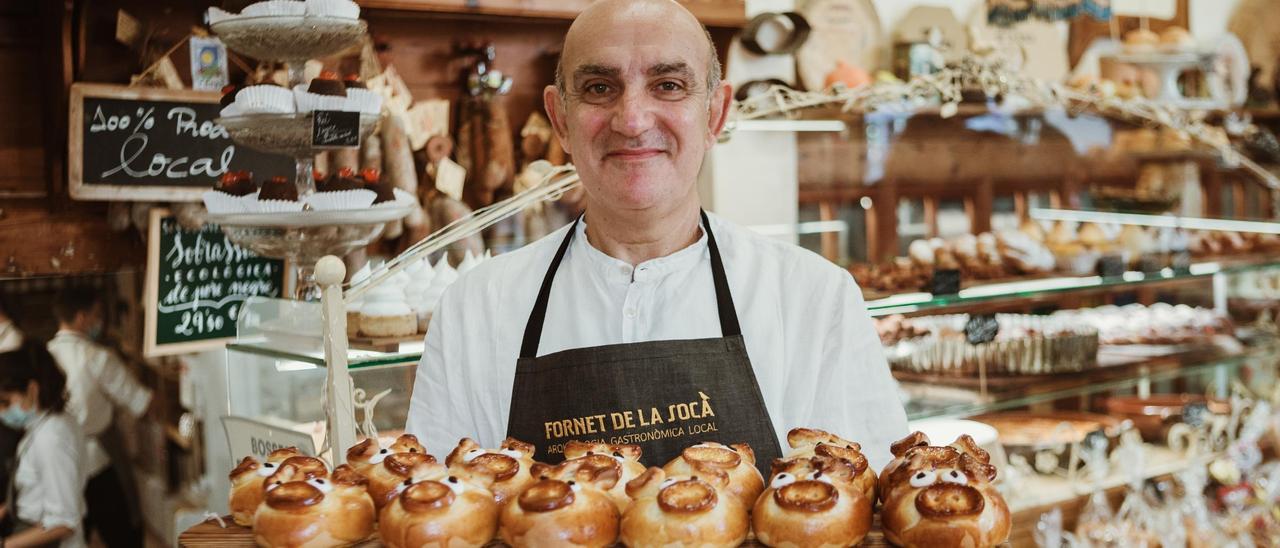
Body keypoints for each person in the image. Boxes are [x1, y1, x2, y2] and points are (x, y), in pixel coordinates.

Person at [406, 0, 908, 470]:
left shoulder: (816, 299)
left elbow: (868, 514)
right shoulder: (476, 308)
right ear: (561, 118)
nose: (632, 120)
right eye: (600, 87)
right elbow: (433, 519)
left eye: (668, 85)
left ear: (715, 114)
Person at [46, 288, 149, 548]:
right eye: (97, 315)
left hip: (57, 460)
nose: (100, 322)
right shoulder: (97, 357)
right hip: (101, 459)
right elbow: (141, 402)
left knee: (70, 536)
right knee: (125, 534)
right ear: (82, 317)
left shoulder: (44, 357)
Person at [0, 343, 88, 548]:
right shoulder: (43, 424)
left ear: (32, 390)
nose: (1, 412)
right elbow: (32, 493)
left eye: (5, 402)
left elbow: (64, 522)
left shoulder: (52, 438)